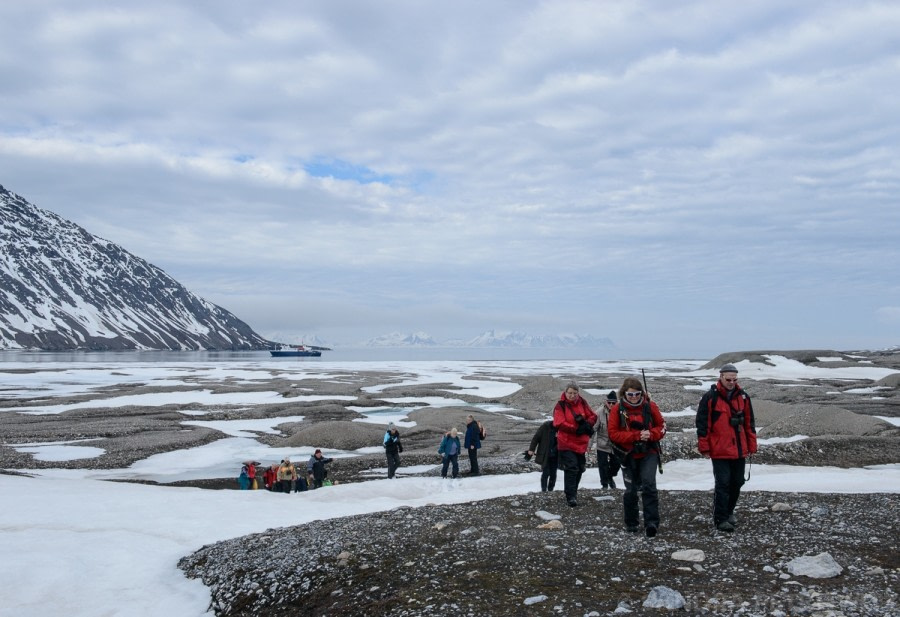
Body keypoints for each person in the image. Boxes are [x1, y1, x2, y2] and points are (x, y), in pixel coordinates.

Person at [696, 363, 758, 532]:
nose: (731, 382)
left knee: (737, 482)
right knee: (722, 484)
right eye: (728, 379)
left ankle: (729, 512)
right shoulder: (710, 398)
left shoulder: (743, 397)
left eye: (734, 379)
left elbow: (749, 423)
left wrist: (752, 445)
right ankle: (720, 518)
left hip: (739, 449)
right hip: (719, 450)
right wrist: (705, 448)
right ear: (721, 377)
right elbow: (702, 425)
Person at [608, 376, 667, 537]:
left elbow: (662, 426)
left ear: (642, 393)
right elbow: (613, 434)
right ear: (624, 394)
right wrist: (636, 436)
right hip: (628, 455)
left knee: (649, 485)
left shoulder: (650, 406)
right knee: (631, 490)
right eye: (630, 395)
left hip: (649, 452)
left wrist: (651, 434)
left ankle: (652, 523)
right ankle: (631, 522)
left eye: (637, 394)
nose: (634, 397)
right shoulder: (617, 410)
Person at [552, 381, 597, 507]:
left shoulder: (582, 402)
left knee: (580, 468)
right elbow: (558, 423)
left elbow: (593, 416)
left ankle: (572, 492)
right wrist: (575, 428)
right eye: (570, 393)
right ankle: (571, 496)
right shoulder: (560, 405)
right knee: (572, 467)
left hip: (581, 443)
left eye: (574, 393)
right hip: (565, 442)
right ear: (565, 392)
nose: (572, 395)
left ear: (578, 393)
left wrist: (587, 424)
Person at [595, 391, 619, 490]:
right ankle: (604, 484)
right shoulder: (599, 413)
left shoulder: (621, 413)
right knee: (602, 465)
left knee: (616, 464)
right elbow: (593, 429)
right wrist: (588, 445)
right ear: (606, 402)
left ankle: (610, 477)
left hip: (616, 444)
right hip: (602, 443)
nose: (611, 405)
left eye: (614, 403)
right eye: (609, 403)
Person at [527, 419, 558, 492]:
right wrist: (531, 449)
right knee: (546, 473)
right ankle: (544, 490)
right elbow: (536, 438)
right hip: (545, 455)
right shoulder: (545, 427)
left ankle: (550, 490)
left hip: (556, 455)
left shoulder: (561, 428)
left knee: (553, 474)